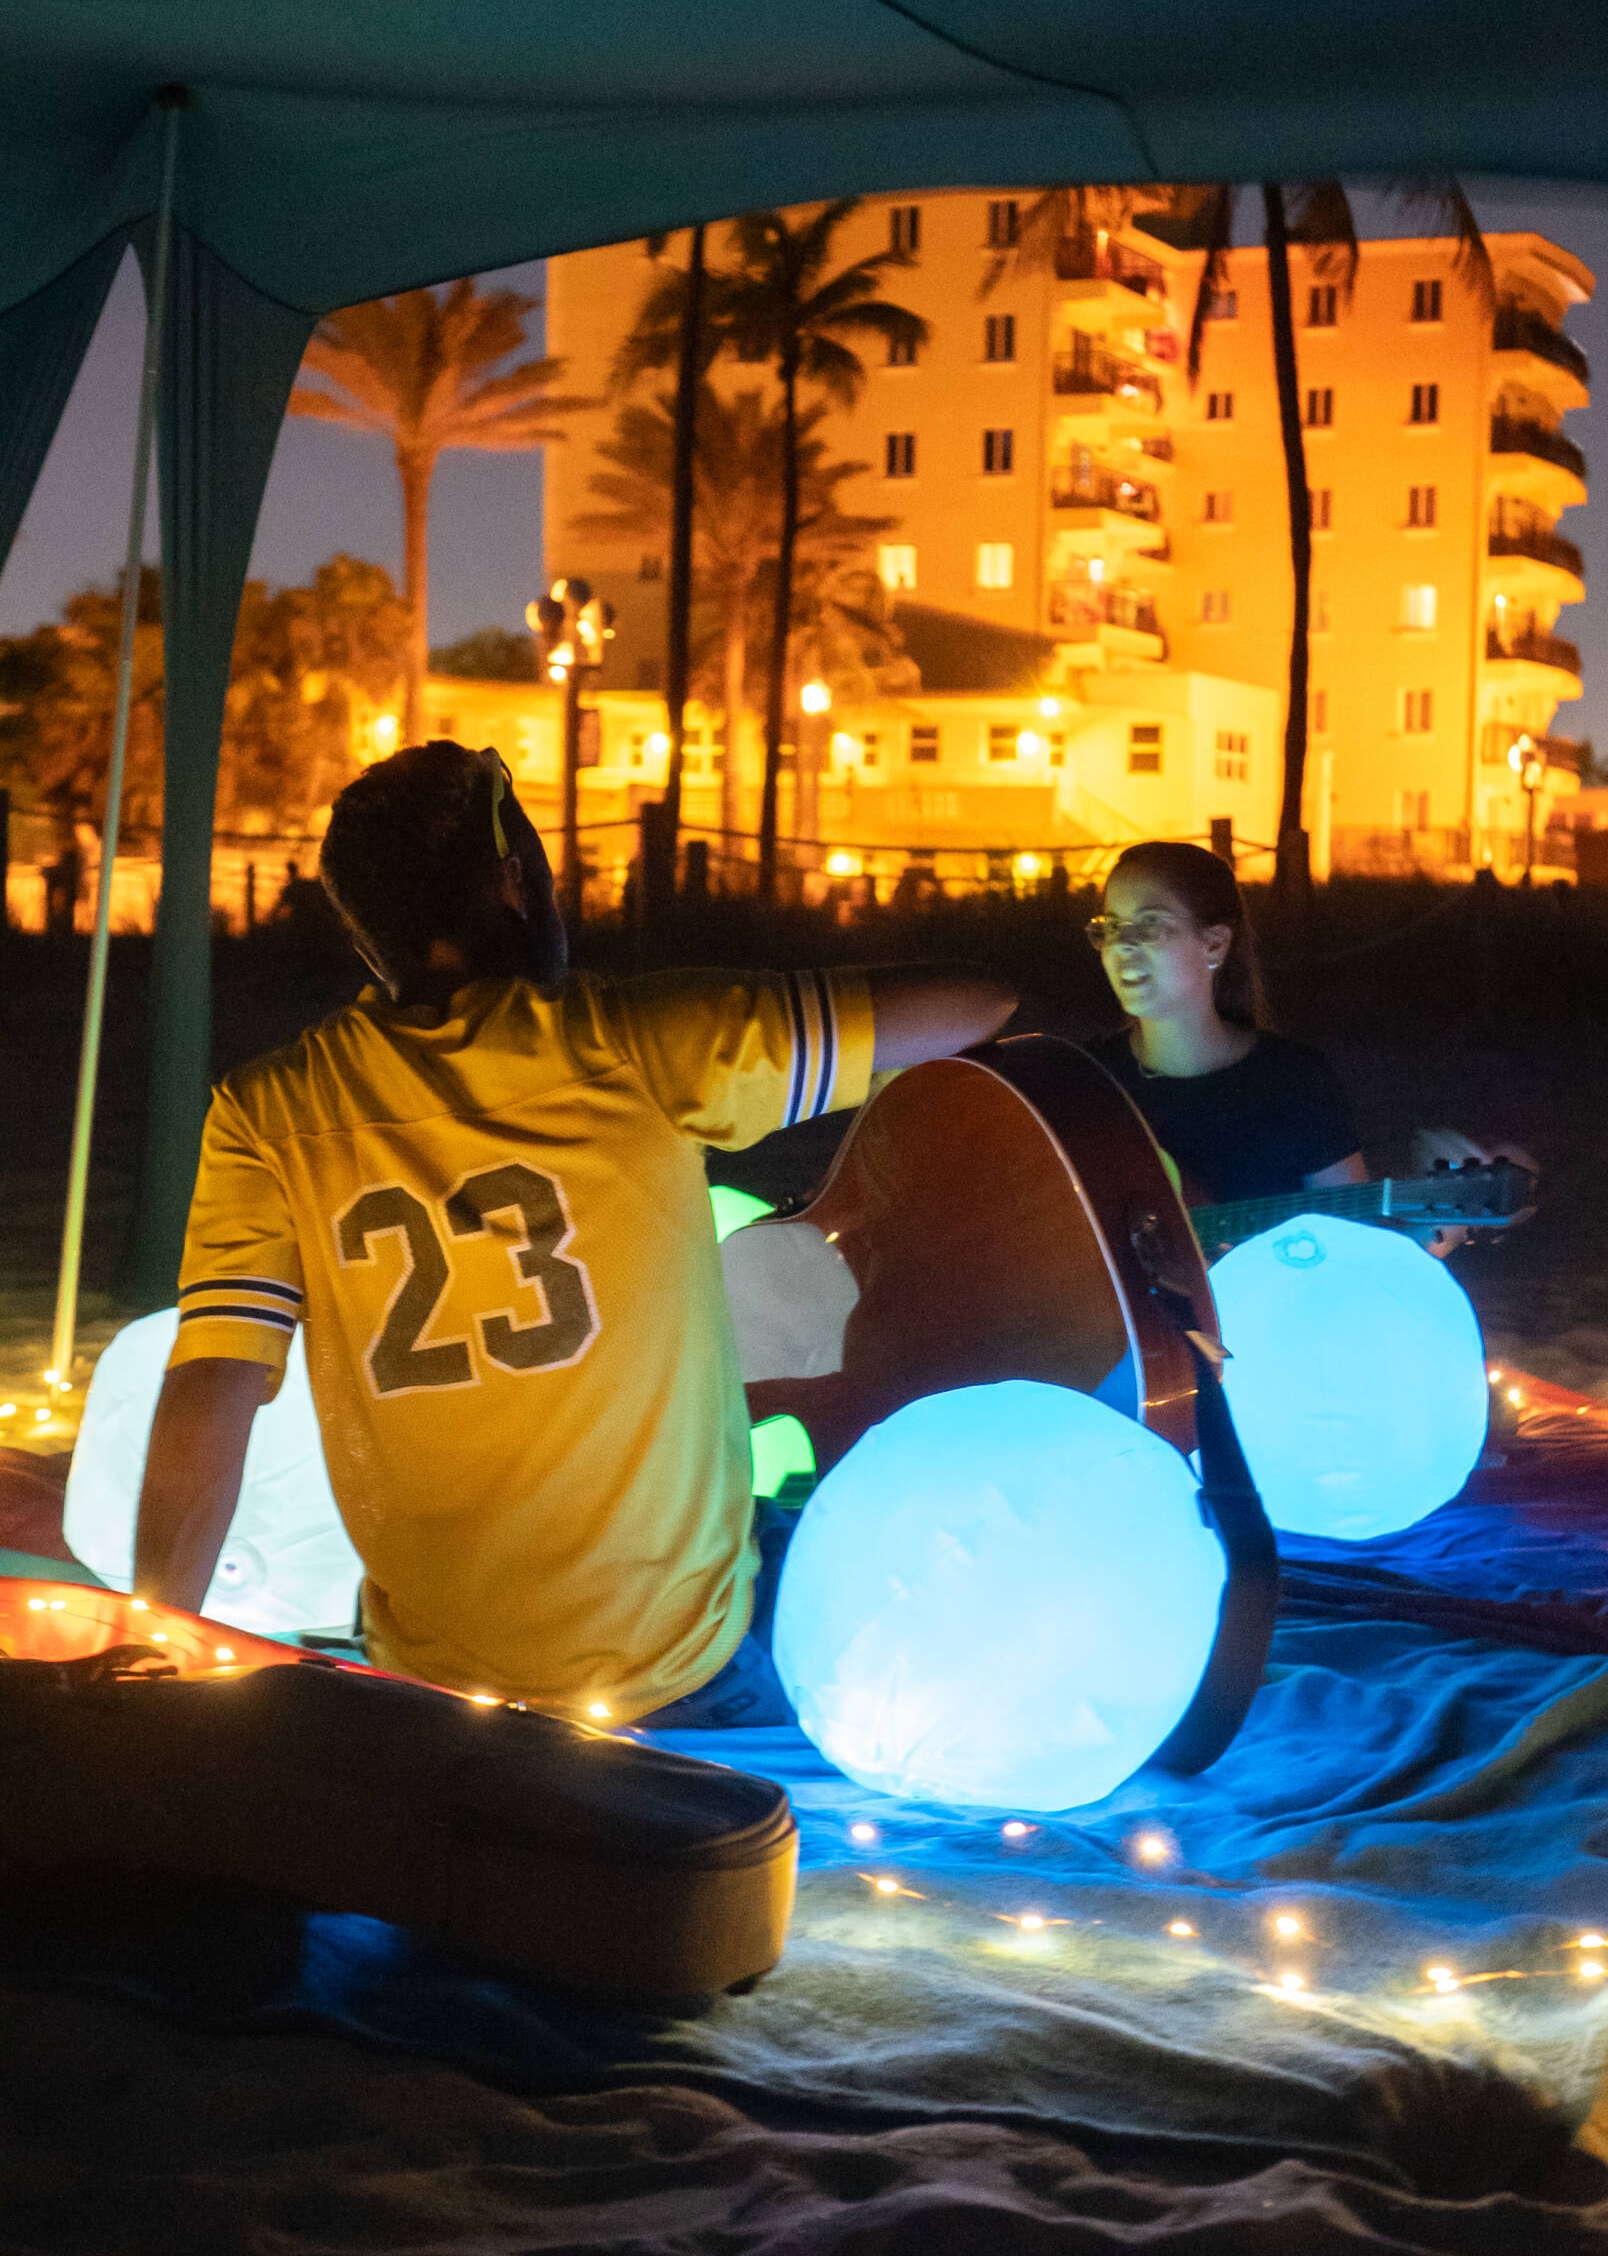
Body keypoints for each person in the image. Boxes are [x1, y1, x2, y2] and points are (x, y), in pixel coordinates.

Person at [134, 739, 1015, 1726]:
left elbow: (212, 1382)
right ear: (516, 880)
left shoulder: (268, 1112)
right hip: (674, 1668)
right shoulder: (635, 1040)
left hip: (432, 1683)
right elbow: (975, 1007)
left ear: (365, 933)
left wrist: (153, 1635)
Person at [1082, 840, 1366, 1212]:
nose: (1122, 945)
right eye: (1113, 925)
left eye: (1150, 925)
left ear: (1215, 945)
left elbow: (1353, 1236)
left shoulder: (1293, 1080)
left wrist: (1435, 1234)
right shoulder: (1084, 1081)